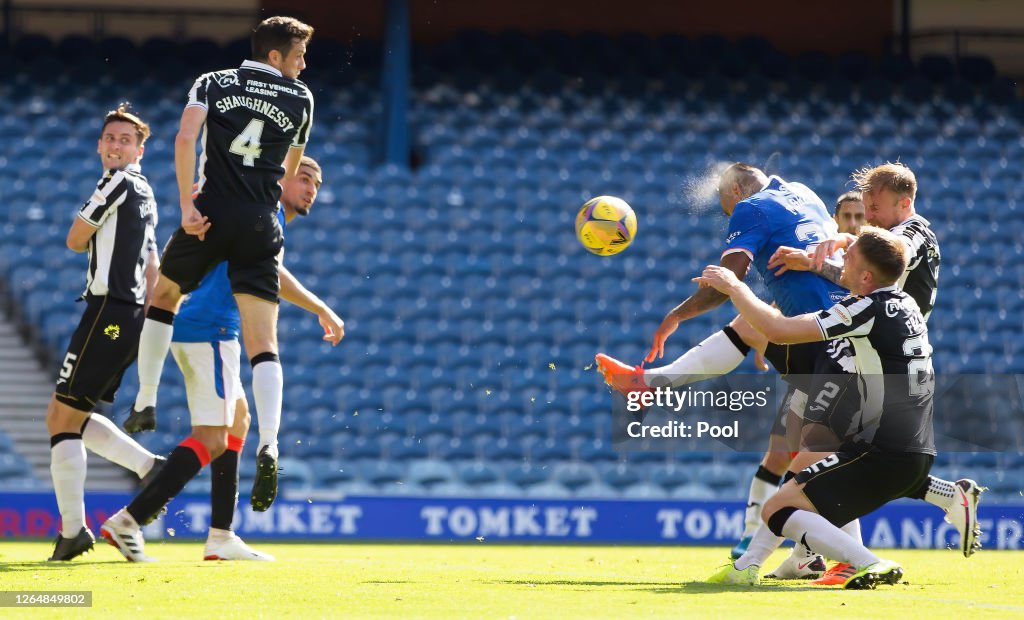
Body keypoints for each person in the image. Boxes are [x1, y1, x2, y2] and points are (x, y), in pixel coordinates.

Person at [101, 156, 342, 562]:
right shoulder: (262, 215)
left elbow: (271, 273)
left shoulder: (264, 218)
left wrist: (319, 307)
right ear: (279, 179)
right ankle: (130, 519)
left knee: (239, 419)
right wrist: (321, 308)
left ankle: (221, 535)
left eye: (316, 183)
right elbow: (275, 278)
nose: (311, 189)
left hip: (204, 327)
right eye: (303, 178)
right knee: (212, 437)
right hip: (209, 329)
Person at [124, 16, 319, 513]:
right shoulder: (301, 99)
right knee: (264, 344)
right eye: (298, 56)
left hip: (209, 213)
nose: (303, 65)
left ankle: (145, 399)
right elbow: (290, 171)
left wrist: (187, 205)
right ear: (275, 57)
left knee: (163, 296)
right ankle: (270, 444)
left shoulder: (212, 82)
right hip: (259, 219)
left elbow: (185, 139)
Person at [759, 163, 980, 585]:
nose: (870, 217)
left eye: (875, 209)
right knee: (850, 459)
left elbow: (891, 252)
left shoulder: (916, 233)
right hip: (874, 359)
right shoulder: (883, 258)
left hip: (881, 360)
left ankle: (785, 554)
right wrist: (813, 262)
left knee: (817, 453)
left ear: (906, 203)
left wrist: (843, 239)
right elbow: (867, 269)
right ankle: (950, 496)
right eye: (865, 209)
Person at [704, 226, 938, 589]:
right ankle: (745, 567)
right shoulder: (906, 304)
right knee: (793, 482)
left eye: (850, 255)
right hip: (915, 447)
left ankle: (868, 562)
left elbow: (777, 330)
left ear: (865, 276)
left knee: (778, 509)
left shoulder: (865, 310)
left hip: (883, 450)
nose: (841, 259)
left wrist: (735, 287)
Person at [46, 104, 166, 561]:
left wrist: (89, 231)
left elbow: (74, 239)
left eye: (125, 140)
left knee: (61, 419)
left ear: (139, 149)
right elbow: (152, 266)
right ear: (100, 144)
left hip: (110, 311)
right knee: (65, 415)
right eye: (110, 138)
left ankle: (75, 531)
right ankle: (147, 466)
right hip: (127, 315)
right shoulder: (146, 192)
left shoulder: (116, 183)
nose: (116, 145)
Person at [729, 188, 869, 563]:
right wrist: (773, 338)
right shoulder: (827, 248)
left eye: (861, 217)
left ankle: (828, 557)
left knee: (814, 466)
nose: (854, 224)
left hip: (850, 371)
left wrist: (809, 263)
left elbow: (853, 290)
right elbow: (794, 302)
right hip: (815, 368)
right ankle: (777, 548)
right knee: (785, 455)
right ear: (835, 220)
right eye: (848, 217)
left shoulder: (865, 261)